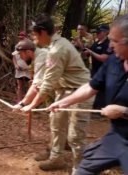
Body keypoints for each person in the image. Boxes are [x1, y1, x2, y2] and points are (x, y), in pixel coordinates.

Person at [49, 13, 128, 175]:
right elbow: (91, 87)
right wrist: (64, 102)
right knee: (83, 170)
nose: (110, 46)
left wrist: (124, 112)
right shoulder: (113, 62)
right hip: (117, 137)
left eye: (114, 41)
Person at [17, 14, 91, 173]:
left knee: (75, 135)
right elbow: (41, 82)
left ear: (42, 32)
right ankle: (57, 158)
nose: (33, 38)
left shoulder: (57, 49)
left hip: (81, 91)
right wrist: (25, 103)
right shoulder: (52, 48)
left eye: (34, 34)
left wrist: (31, 105)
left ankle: (80, 169)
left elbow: (47, 85)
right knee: (56, 125)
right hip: (64, 90)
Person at [83, 24, 113, 110]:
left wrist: (91, 52)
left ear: (105, 33)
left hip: (105, 70)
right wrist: (86, 52)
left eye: (99, 32)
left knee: (101, 91)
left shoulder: (108, 44)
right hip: (95, 69)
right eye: (96, 32)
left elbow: (104, 58)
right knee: (94, 88)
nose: (97, 34)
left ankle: (100, 110)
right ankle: (95, 108)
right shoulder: (96, 43)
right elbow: (89, 53)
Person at [12, 31, 32, 102]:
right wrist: (16, 65)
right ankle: (19, 101)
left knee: (30, 86)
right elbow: (14, 57)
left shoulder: (29, 46)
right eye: (20, 38)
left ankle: (28, 102)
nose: (21, 39)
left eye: (22, 38)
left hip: (28, 70)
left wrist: (30, 67)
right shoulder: (16, 46)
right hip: (19, 70)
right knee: (19, 86)